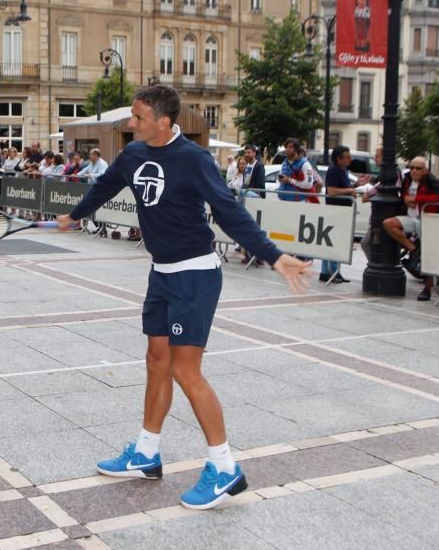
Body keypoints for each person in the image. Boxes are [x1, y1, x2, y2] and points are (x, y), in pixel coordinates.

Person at [56, 85, 311, 510]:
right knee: (156, 360)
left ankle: (225, 468)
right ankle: (146, 453)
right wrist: (76, 214)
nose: (129, 124)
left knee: (185, 371)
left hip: (195, 275)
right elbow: (105, 186)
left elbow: (229, 211)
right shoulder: (134, 154)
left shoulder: (194, 160)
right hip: (161, 273)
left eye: (137, 117)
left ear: (163, 122)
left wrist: (273, 255)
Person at [382, 157, 439, 301]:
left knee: (429, 256)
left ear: (425, 170)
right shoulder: (407, 179)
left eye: (418, 168)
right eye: (412, 167)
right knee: (388, 223)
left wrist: (416, 199)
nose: (414, 170)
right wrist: (405, 198)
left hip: (427, 220)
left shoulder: (432, 181)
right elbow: (404, 194)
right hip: (410, 218)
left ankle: (427, 289)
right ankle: (412, 247)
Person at [321, 146, 369, 283]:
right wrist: (350, 189)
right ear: (339, 158)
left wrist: (355, 185)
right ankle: (326, 272)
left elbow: (343, 188)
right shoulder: (333, 170)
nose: (350, 159)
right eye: (347, 157)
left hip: (343, 210)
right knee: (331, 241)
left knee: (339, 242)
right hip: (335, 210)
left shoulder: (344, 170)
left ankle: (335, 271)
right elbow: (331, 191)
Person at [276, 138, 319, 203]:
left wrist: (289, 180)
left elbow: (308, 185)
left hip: (297, 201)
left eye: (290, 147)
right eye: (286, 147)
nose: (287, 149)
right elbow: (279, 179)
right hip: (282, 199)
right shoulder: (285, 162)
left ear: (296, 149)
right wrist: (279, 186)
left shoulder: (305, 164)